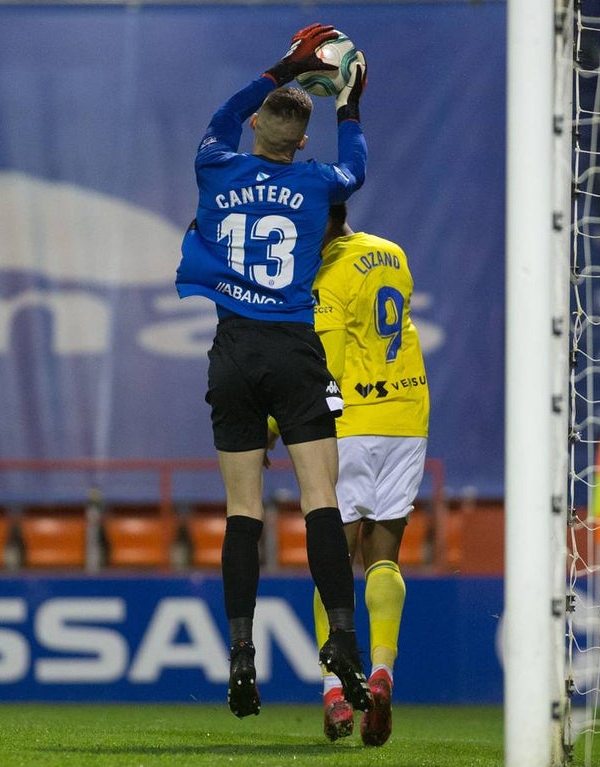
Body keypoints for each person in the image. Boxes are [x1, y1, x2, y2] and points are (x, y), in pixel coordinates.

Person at [173, 24, 371, 720]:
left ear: (259, 124)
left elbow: (219, 119)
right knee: (321, 497)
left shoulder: (215, 165)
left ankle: (240, 656)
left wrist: (278, 68)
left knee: (242, 512)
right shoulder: (320, 182)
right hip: (292, 348)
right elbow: (358, 168)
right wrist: (348, 104)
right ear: (303, 140)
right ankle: (343, 637)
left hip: (232, 352)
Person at [286, 203, 429, 746]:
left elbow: (330, 362)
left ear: (327, 218)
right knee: (384, 558)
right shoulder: (392, 252)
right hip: (409, 414)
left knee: (333, 560)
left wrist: (280, 417)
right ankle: (383, 672)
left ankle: (335, 693)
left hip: (352, 422)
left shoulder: (328, 274)